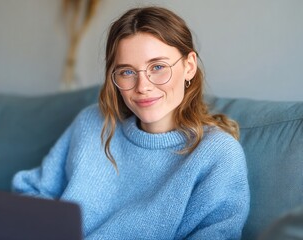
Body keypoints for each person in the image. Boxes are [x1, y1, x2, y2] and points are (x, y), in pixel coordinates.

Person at [12, 6, 250, 239]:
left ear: (189, 67)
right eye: (127, 72)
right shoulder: (92, 123)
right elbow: (32, 192)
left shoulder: (218, 153)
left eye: (158, 67)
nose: (142, 87)